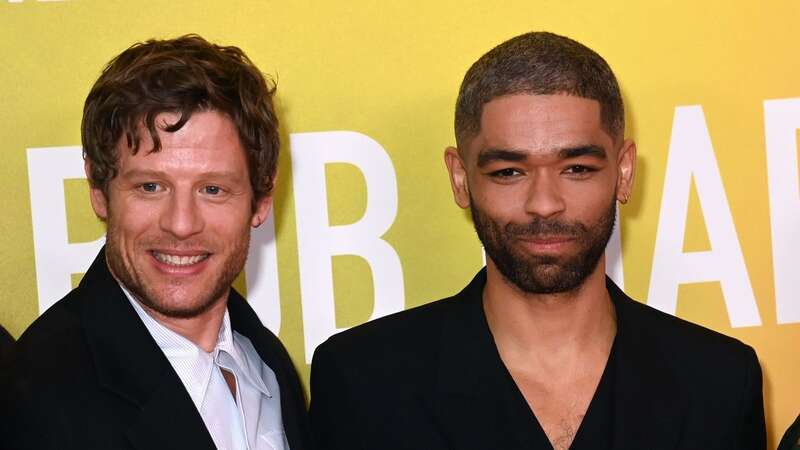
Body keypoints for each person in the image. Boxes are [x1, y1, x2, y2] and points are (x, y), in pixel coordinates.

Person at [309, 31, 765, 450]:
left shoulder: (720, 382)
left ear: (624, 171)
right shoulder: (361, 383)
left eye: (577, 168)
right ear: (460, 177)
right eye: (509, 171)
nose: (544, 204)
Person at [2, 35, 309, 450]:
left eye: (213, 189)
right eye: (150, 186)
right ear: (98, 190)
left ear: (262, 201)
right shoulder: (36, 396)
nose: (181, 225)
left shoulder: (267, 366)